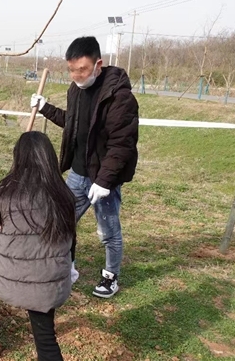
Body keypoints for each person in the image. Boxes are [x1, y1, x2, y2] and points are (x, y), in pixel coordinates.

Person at [30, 36, 139, 298]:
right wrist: (45, 108)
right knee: (63, 222)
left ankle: (110, 277)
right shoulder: (75, 89)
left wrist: (104, 181)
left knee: (108, 231)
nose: (77, 75)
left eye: (82, 69)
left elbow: (121, 144)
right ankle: (68, 268)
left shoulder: (119, 97)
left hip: (104, 179)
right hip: (78, 175)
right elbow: (74, 124)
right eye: (71, 69)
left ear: (98, 64)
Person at [0, 131, 76, 360]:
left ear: (19, 158)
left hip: (7, 276)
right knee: (45, 336)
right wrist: (70, 265)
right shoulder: (64, 195)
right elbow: (71, 237)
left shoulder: (6, 195)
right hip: (48, 282)